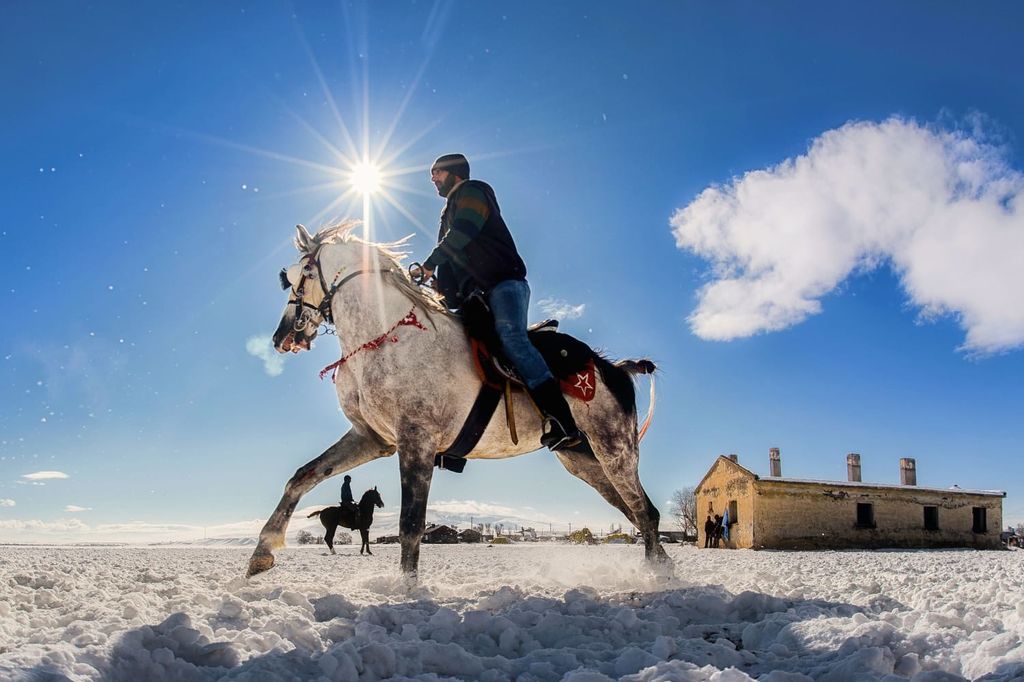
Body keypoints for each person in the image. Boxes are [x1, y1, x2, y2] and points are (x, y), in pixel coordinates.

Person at [412, 153, 583, 451]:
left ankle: (563, 420)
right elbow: (451, 261)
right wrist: (440, 285)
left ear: (454, 173)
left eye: (436, 173)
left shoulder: (473, 192)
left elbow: (463, 232)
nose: (433, 180)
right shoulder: (445, 214)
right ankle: (455, 444)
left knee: (512, 339)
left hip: (504, 284)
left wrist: (428, 263)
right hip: (474, 296)